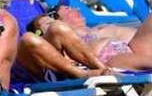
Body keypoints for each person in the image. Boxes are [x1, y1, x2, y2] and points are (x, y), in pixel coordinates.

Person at [20, 4, 152, 75]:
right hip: (112, 60)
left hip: (133, 46)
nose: (76, 9)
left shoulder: (96, 29)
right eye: (47, 24)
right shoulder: (55, 47)